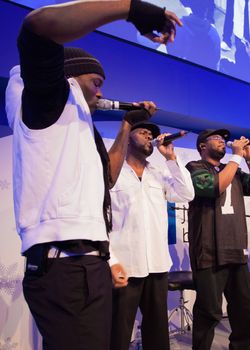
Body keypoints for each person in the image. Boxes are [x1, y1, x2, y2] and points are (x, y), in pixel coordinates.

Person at [5, 1, 181, 349]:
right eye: (96, 82)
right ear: (68, 78)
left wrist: (126, 126)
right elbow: (38, 25)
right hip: (68, 268)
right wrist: (133, 10)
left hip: (88, 263)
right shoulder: (48, 101)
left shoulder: (78, 127)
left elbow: (108, 181)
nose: (101, 92)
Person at [108, 122, 194, 350]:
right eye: (143, 133)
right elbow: (100, 221)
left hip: (157, 265)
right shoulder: (112, 173)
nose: (150, 137)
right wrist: (111, 261)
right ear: (127, 137)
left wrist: (171, 159)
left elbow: (187, 193)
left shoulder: (160, 174)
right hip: (125, 266)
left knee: (157, 331)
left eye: (152, 134)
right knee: (118, 330)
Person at [186, 129, 250, 350]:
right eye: (217, 139)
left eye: (224, 139)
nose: (223, 141)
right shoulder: (195, 167)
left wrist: (249, 158)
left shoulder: (235, 170)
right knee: (209, 310)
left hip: (237, 248)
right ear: (203, 145)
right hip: (209, 250)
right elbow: (213, 187)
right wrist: (237, 157)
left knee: (243, 307)